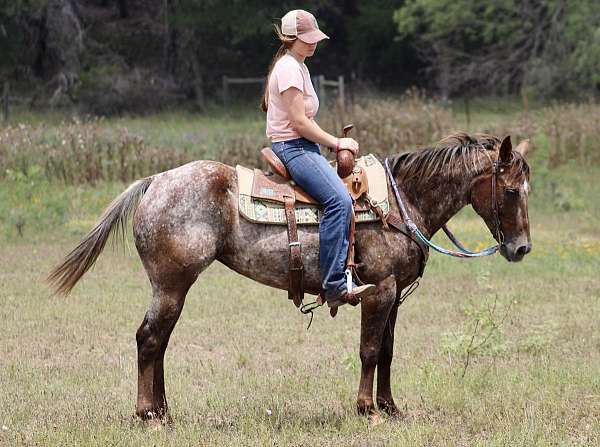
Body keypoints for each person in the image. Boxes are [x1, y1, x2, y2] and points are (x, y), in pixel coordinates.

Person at [260, 9, 376, 308]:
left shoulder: (299, 66)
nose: (313, 43)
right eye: (306, 38)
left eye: (314, 38)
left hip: (304, 147)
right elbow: (299, 123)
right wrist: (337, 143)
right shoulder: (288, 69)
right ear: (290, 38)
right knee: (338, 200)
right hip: (294, 148)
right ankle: (334, 283)